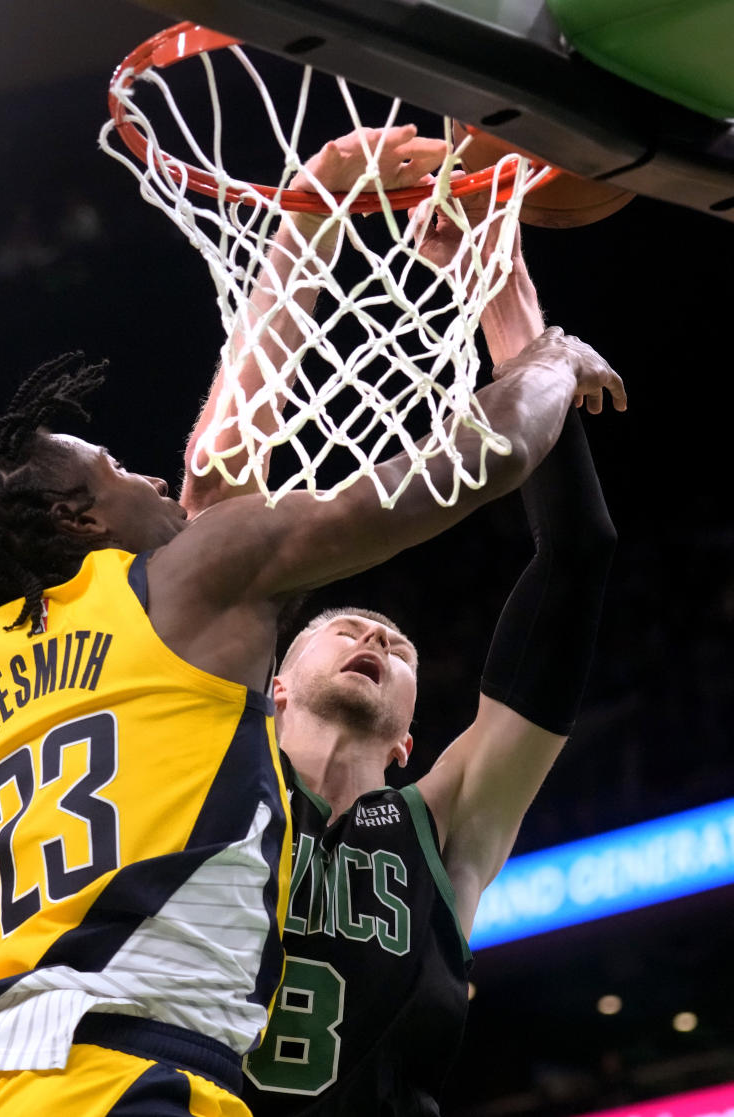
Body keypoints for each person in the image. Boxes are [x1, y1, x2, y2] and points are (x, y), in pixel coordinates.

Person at [0, 127, 625, 1117]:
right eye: (123, 472)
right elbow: (454, 465)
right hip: (144, 1092)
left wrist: (312, 222)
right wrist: (543, 355)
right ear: (273, 685)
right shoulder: (185, 602)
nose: (154, 475)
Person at [180, 153, 621, 1115]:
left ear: (413, 735)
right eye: (342, 622)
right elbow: (219, 489)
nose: (377, 631)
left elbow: (577, 557)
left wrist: (507, 302)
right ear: (275, 687)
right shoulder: (206, 767)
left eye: (400, 643)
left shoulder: (446, 822)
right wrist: (308, 226)